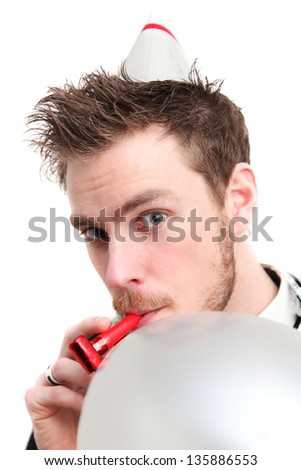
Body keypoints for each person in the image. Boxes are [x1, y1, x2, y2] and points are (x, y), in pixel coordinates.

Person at [24, 23, 301, 450]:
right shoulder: (90, 404)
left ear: (237, 199)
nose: (118, 273)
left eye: (152, 218)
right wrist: (72, 458)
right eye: (96, 233)